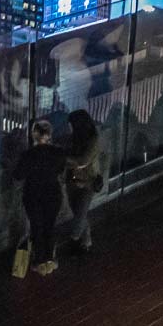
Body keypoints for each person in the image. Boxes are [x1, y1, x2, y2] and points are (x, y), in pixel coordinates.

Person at [11, 120, 69, 274]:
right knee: (50, 225)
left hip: (34, 193)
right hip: (53, 193)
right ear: (50, 134)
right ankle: (50, 258)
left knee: (36, 226)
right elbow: (61, 169)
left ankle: (40, 261)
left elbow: (18, 175)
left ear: (34, 135)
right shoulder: (58, 152)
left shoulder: (28, 155)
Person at [64, 109, 102, 254]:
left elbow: (82, 161)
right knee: (79, 212)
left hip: (88, 181)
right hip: (73, 180)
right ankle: (86, 241)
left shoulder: (93, 140)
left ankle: (74, 239)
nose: (69, 127)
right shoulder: (75, 137)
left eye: (71, 124)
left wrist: (62, 159)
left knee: (80, 214)